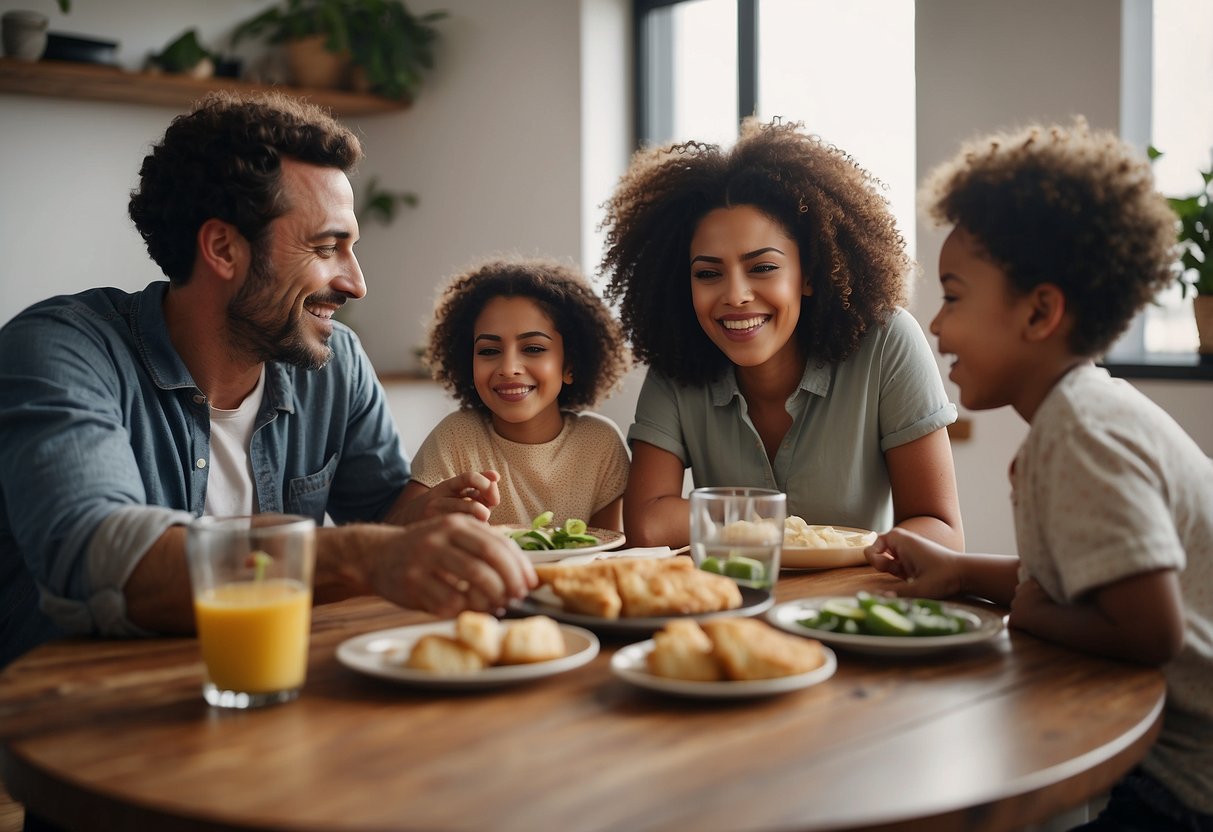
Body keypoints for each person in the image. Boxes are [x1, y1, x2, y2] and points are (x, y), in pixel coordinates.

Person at [0, 91, 536, 670]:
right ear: (223, 248)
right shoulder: (61, 350)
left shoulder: (338, 364)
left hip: (276, 693)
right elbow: (93, 554)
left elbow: (381, 515)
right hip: (75, 717)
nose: (355, 283)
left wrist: (427, 520)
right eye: (327, 248)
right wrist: (365, 554)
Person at [866, 120, 1213, 828]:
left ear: (1039, 310)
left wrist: (1031, 612)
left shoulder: (1083, 434)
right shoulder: (1086, 413)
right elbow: (1092, 576)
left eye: (954, 296)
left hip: (1188, 784)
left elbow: (1151, 632)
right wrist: (959, 573)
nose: (935, 325)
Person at [599, 118, 964, 549]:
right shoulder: (677, 363)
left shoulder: (887, 342)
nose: (735, 295)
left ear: (808, 274)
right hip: (729, 605)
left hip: (852, 602)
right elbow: (648, 524)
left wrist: (732, 522)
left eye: (763, 268)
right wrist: (793, 530)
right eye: (708, 273)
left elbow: (941, 532)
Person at [401, 258, 631, 531]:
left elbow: (610, 552)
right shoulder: (456, 436)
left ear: (570, 365)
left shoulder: (600, 443)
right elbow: (391, 534)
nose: (508, 369)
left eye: (533, 348)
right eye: (488, 351)